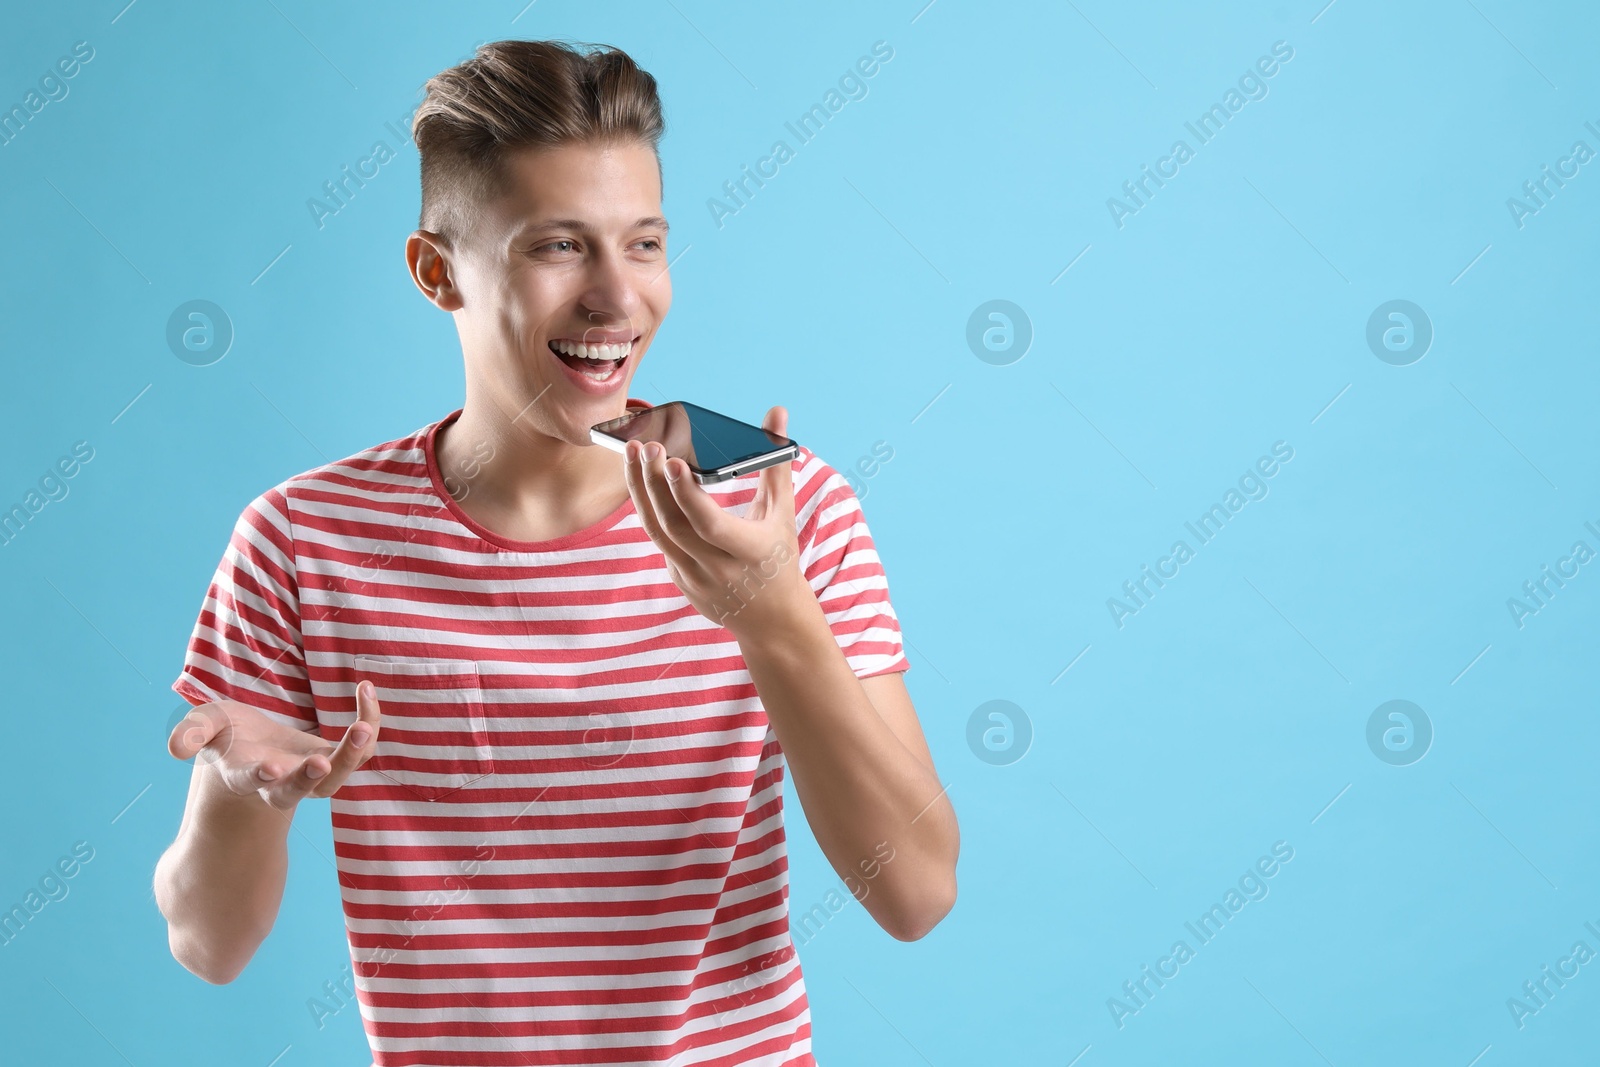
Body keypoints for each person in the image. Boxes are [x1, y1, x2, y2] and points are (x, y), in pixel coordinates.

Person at [153, 38, 958, 1067]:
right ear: (438, 271)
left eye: (646, 243)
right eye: (558, 247)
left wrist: (771, 611)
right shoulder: (304, 540)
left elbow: (917, 891)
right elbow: (207, 942)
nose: (618, 299)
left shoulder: (775, 502)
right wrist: (244, 791)